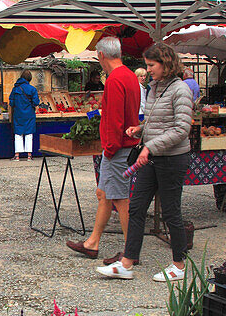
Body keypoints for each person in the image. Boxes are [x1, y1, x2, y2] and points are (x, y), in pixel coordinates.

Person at [96, 43, 193, 282]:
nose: (148, 70)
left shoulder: (180, 90)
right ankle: (127, 263)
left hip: (172, 159)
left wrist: (150, 145)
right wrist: (140, 131)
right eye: (147, 65)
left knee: (171, 212)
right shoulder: (154, 88)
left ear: (166, 63)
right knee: (137, 207)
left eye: (151, 65)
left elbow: (181, 129)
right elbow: (159, 123)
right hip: (151, 157)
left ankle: (179, 265)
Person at [66, 37, 140, 259]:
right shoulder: (129, 76)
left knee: (120, 199)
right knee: (104, 194)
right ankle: (92, 242)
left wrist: (109, 148)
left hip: (118, 148)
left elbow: (116, 119)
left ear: (101, 55)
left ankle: (130, 252)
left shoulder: (115, 79)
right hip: (122, 146)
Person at [8, 71, 40, 161]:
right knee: (29, 134)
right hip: (29, 114)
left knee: (18, 133)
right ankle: (29, 155)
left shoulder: (15, 89)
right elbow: (36, 102)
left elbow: (11, 102)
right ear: (30, 79)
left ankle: (17, 155)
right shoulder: (32, 89)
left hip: (18, 114)